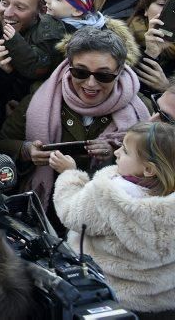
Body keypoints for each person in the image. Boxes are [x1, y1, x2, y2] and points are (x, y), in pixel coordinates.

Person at [0, 27, 150, 212]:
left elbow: (152, 173)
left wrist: (114, 152)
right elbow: (0, 143)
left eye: (103, 75)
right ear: (68, 66)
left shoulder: (141, 110)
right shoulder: (42, 98)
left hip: (106, 214)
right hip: (45, 211)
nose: (90, 84)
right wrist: (26, 150)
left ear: (119, 71)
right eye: (81, 72)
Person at [51, 121, 175, 317]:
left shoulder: (109, 196)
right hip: (163, 301)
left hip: (112, 297)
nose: (116, 152)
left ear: (149, 169)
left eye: (125, 151)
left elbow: (70, 212)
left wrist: (69, 173)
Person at [128, 0, 175, 96]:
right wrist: (151, 52)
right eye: (161, 4)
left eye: (172, 7)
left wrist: (167, 89)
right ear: (146, 8)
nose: (166, 12)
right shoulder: (120, 38)